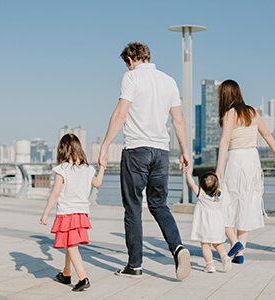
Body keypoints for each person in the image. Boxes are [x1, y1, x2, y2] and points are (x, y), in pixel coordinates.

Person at [99, 42, 191, 280]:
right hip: (161, 152)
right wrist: (184, 151)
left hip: (136, 151)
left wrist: (105, 145)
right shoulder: (169, 81)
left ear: (131, 59)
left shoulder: (131, 78)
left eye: (127, 64)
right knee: (160, 205)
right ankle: (178, 247)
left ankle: (135, 265)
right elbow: (178, 121)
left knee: (133, 207)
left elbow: (121, 113)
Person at [215, 79, 275, 264]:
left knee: (225, 204)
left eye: (220, 94)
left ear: (227, 95)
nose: (218, 96)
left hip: (236, 159)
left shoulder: (229, 114)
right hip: (252, 160)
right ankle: (240, 253)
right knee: (246, 203)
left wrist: (219, 168)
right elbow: (267, 135)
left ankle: (235, 243)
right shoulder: (252, 112)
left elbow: (225, 141)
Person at [39, 133, 105, 292]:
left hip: (67, 213)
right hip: (81, 213)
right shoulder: (88, 169)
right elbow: (97, 183)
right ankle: (66, 273)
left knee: (71, 245)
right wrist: (102, 167)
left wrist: (45, 213)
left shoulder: (62, 169)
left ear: (62, 149)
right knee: (71, 243)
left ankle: (83, 278)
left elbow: (55, 193)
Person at [184, 167, 232, 273]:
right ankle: (224, 257)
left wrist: (187, 173)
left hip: (205, 225)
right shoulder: (220, 195)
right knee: (218, 243)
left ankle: (210, 265)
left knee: (206, 245)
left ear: (201, 184)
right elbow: (218, 179)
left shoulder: (201, 195)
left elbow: (192, 184)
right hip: (218, 224)